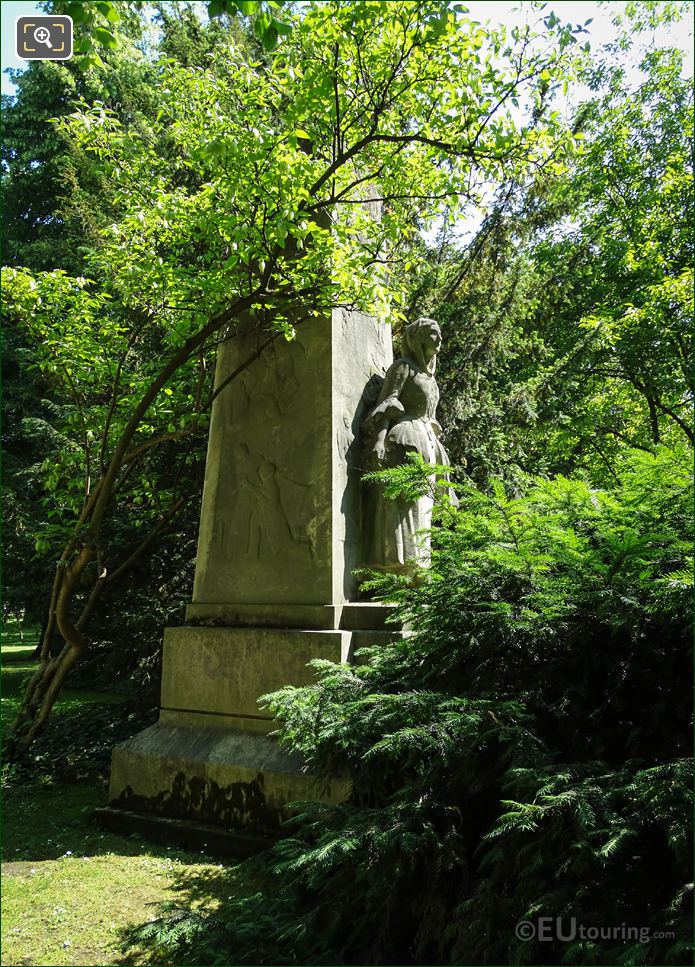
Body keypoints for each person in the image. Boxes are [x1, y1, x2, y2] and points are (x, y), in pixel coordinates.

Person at [361, 316, 455, 572]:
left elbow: (431, 417)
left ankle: (418, 569)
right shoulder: (403, 368)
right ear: (417, 338)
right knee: (401, 506)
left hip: (426, 444)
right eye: (433, 333)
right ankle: (393, 567)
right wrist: (379, 441)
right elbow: (386, 405)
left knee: (422, 507)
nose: (439, 339)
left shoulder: (430, 378)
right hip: (403, 441)